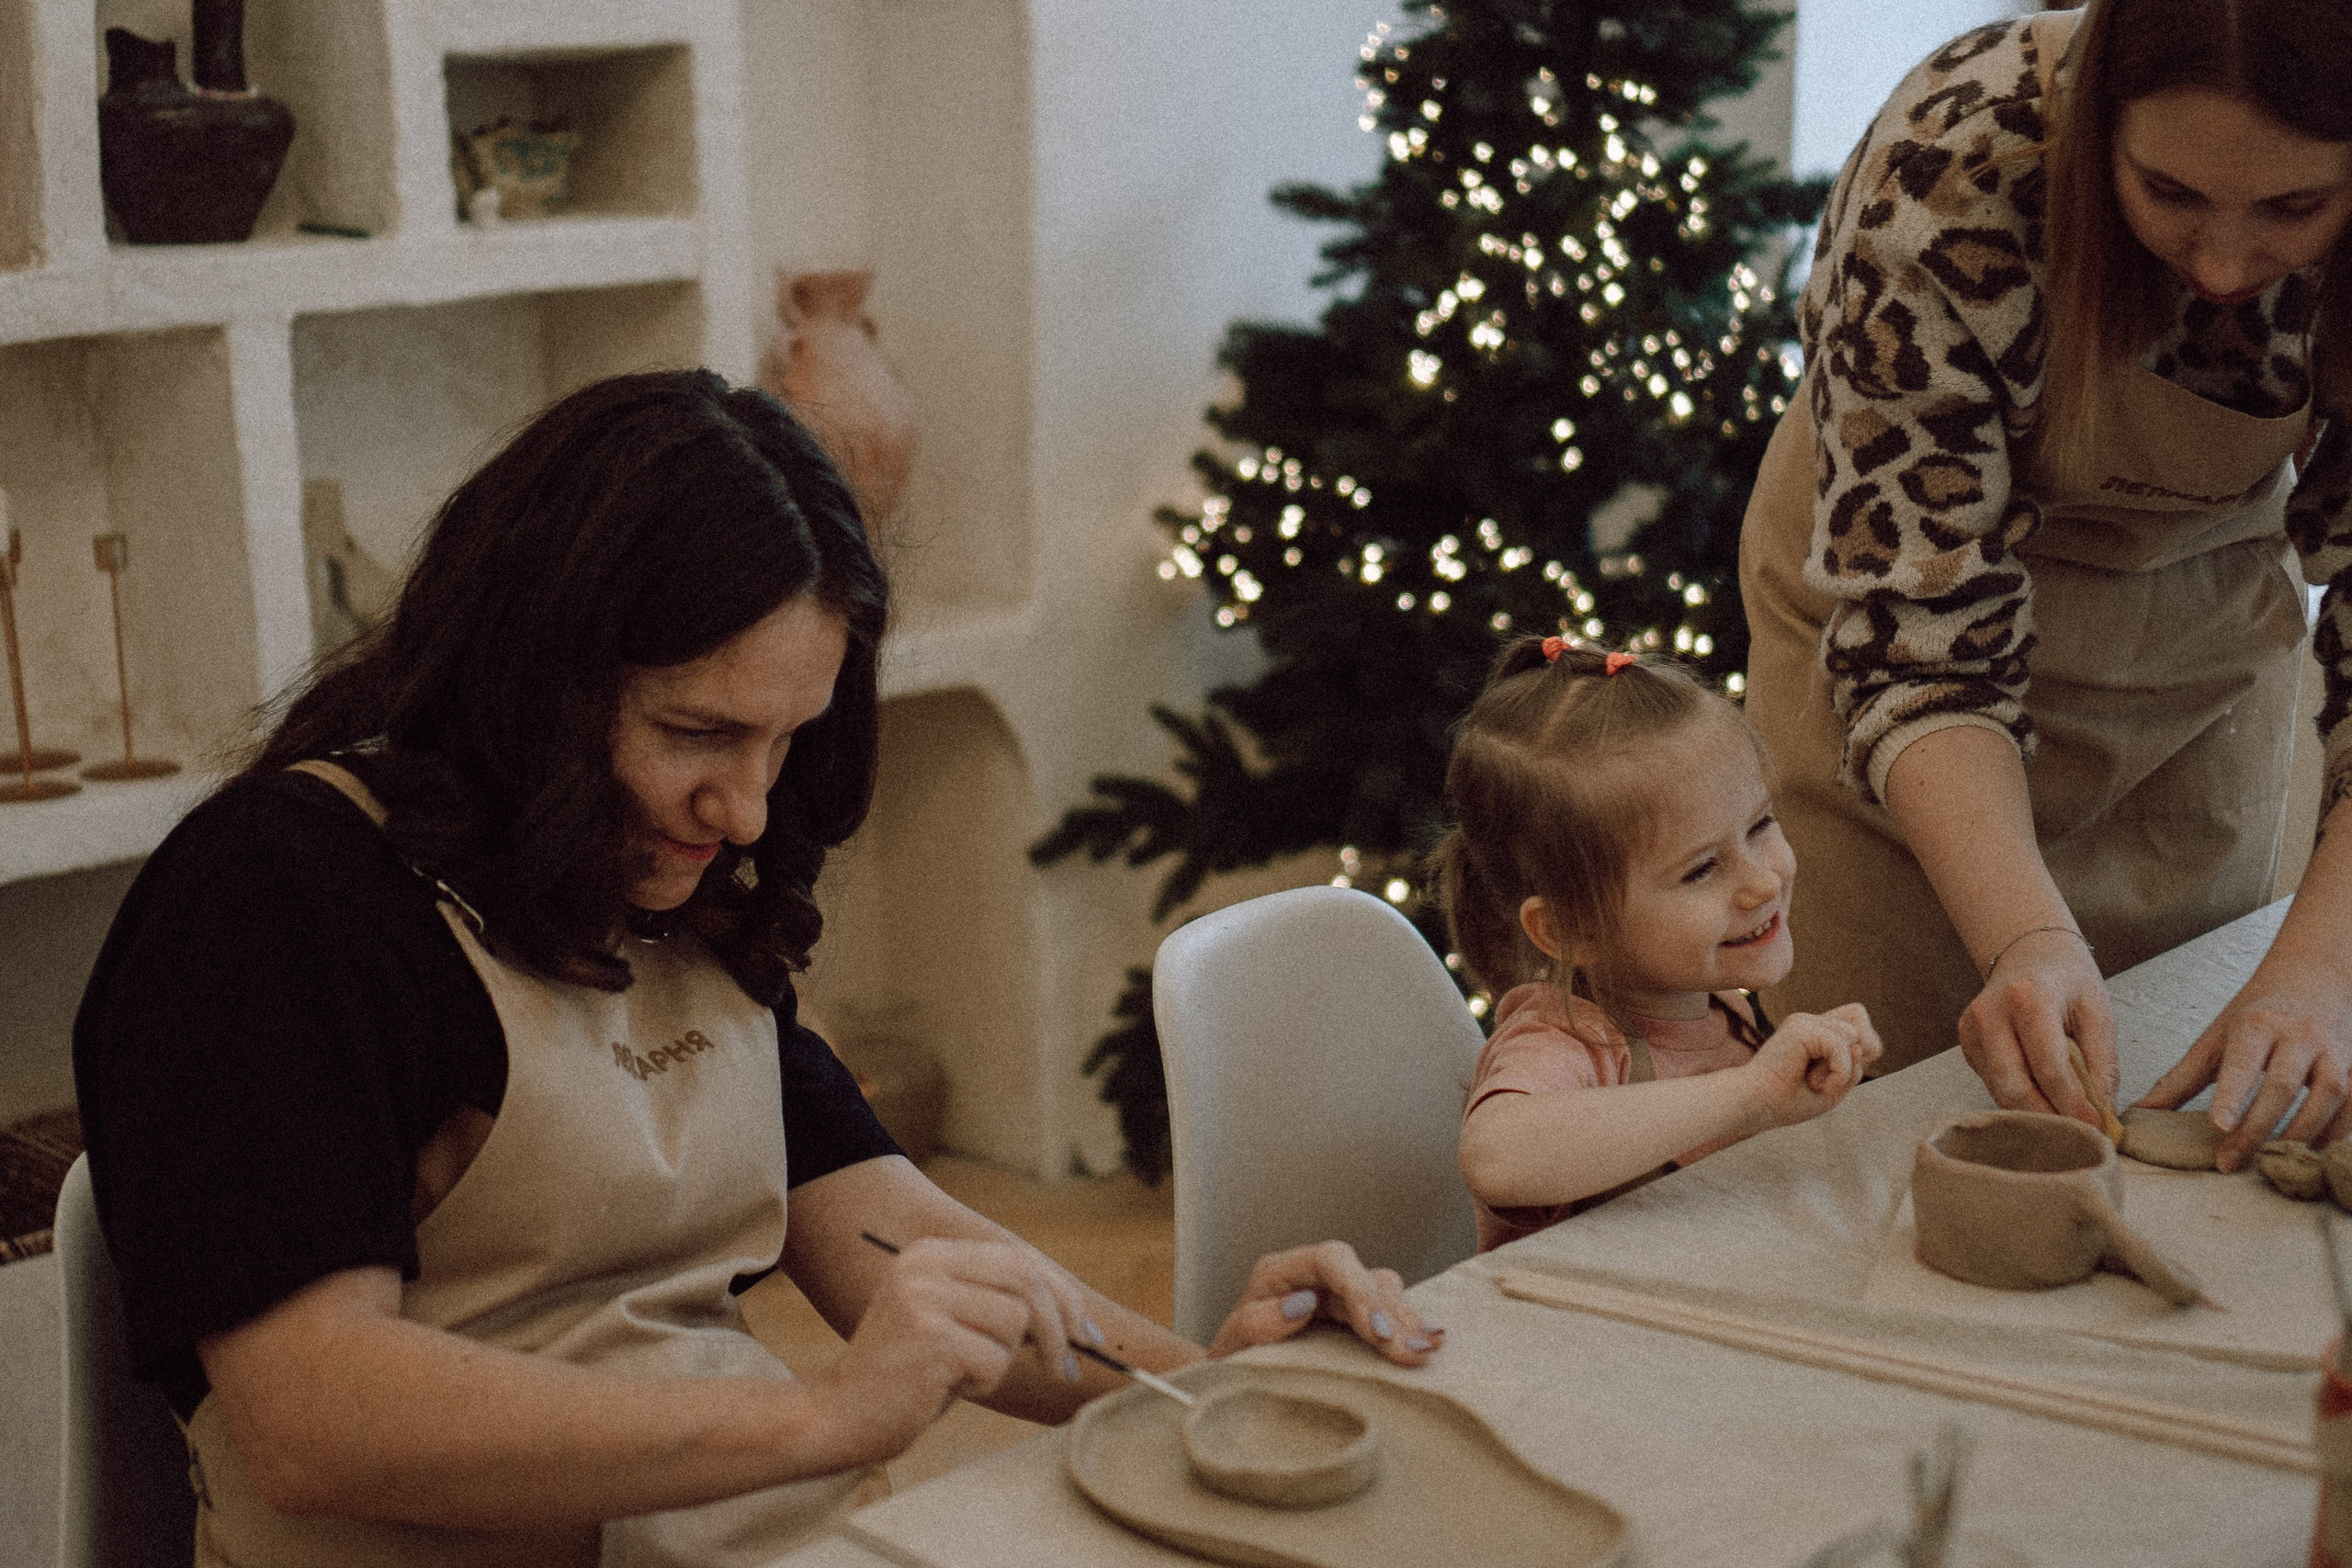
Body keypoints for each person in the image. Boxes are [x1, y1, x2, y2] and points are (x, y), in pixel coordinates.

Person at [72, 371, 1439, 1568]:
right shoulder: (275, 897)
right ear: (530, 671)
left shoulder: (667, 889)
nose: (745, 811)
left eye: (785, 743)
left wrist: (1201, 1384)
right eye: (698, 731)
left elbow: (901, 1239)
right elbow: (316, 1421)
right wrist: (819, 1415)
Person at [1739, 0, 2352, 1171]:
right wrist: (2024, 938)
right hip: (1907, 690)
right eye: (2169, 193)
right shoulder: (1951, 166)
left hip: (2197, 661)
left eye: (2293, 208)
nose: (2224, 264)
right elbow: (1919, 629)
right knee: (1887, 1149)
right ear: (2098, 121)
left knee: (2201, 1105)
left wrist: (2322, 969)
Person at [1441, 639, 1883, 1249]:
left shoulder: (1714, 998)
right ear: (1574, 930)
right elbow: (1495, 1154)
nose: (1762, 881)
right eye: (1701, 869)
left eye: (1760, 824)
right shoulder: (1568, 1040)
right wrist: (1753, 1093)